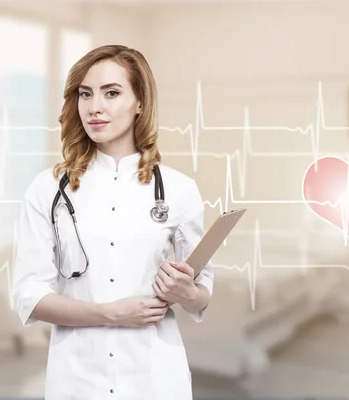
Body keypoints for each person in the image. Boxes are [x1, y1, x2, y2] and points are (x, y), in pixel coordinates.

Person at [11, 44, 214, 399]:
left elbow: (201, 295)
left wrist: (187, 292)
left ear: (140, 103)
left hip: (154, 377)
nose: (95, 107)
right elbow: (30, 296)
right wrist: (110, 314)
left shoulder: (179, 190)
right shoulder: (47, 189)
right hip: (77, 379)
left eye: (112, 93)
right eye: (85, 94)